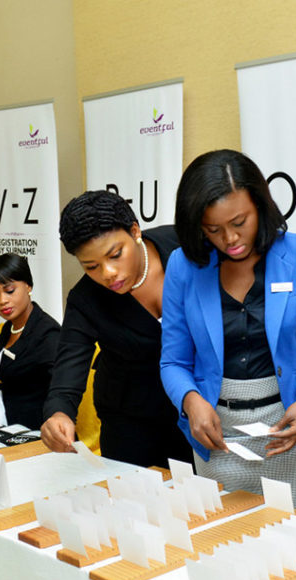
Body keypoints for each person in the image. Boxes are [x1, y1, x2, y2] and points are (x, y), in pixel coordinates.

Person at [161, 150, 296, 509]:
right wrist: (191, 402)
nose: (230, 238)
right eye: (213, 230)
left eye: (240, 222)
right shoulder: (183, 266)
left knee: (287, 538)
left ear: (260, 205)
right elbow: (173, 362)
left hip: (288, 428)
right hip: (217, 433)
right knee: (223, 535)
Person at [41, 190, 192, 469]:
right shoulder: (86, 299)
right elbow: (68, 367)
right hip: (130, 420)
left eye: (115, 255)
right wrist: (59, 413)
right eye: (91, 266)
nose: (108, 273)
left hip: (197, 408)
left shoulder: (182, 247)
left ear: (135, 231)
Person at [0, 254, 60, 429]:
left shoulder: (48, 333)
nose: (2, 301)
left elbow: (59, 391)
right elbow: (20, 381)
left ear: (28, 285)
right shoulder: (6, 330)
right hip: (7, 425)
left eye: (10, 291)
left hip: (39, 430)